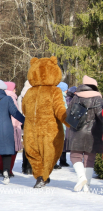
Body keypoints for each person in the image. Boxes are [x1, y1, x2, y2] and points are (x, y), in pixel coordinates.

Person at [22, 57, 69, 188]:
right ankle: (43, 176)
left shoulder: (29, 92)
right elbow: (60, 110)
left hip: (31, 129)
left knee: (32, 153)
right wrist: (69, 121)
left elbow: (24, 110)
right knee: (49, 153)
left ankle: (41, 176)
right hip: (50, 129)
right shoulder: (55, 91)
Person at [66, 76, 103, 193]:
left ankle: (81, 177)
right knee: (90, 158)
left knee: (75, 156)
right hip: (93, 132)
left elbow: (68, 113)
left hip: (77, 131)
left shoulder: (76, 97)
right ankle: (87, 185)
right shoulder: (98, 98)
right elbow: (101, 116)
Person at [0, 81, 24, 184]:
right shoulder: (7, 99)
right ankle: (6, 171)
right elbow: (15, 113)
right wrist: (26, 122)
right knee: (6, 152)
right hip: (5, 129)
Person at [17, 80, 32, 175]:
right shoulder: (32, 95)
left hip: (23, 120)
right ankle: (30, 167)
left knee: (26, 144)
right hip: (31, 120)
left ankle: (24, 166)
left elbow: (19, 109)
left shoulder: (20, 96)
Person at [56, 82, 70, 169]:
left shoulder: (60, 96)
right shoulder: (61, 97)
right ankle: (55, 162)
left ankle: (60, 161)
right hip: (60, 123)